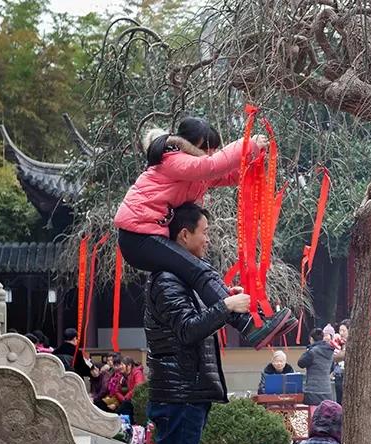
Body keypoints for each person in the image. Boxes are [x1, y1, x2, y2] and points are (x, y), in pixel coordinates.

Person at [146, 202, 251, 444]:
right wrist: (223, 307)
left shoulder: (180, 279)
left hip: (185, 394)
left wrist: (224, 304)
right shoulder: (167, 281)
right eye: (203, 232)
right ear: (183, 235)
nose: (208, 239)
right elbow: (188, 330)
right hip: (179, 396)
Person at [113, 117, 277, 348]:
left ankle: (252, 321)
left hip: (150, 234)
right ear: (196, 143)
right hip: (137, 235)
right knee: (198, 270)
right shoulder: (173, 160)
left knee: (201, 270)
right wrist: (247, 144)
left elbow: (229, 174)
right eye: (209, 147)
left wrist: (257, 163)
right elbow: (212, 166)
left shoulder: (194, 172)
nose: (213, 152)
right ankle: (248, 325)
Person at [298, 329, 336, 406]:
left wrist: (308, 349)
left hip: (313, 392)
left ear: (311, 339)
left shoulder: (312, 352)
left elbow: (300, 363)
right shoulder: (330, 351)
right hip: (327, 390)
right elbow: (332, 368)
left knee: (313, 415)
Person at [110, 357, 146, 423]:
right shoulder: (123, 376)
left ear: (129, 365)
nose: (120, 367)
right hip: (129, 401)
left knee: (122, 409)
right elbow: (116, 390)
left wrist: (125, 398)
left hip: (138, 401)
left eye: (122, 365)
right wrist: (123, 399)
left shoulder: (137, 373)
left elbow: (138, 388)